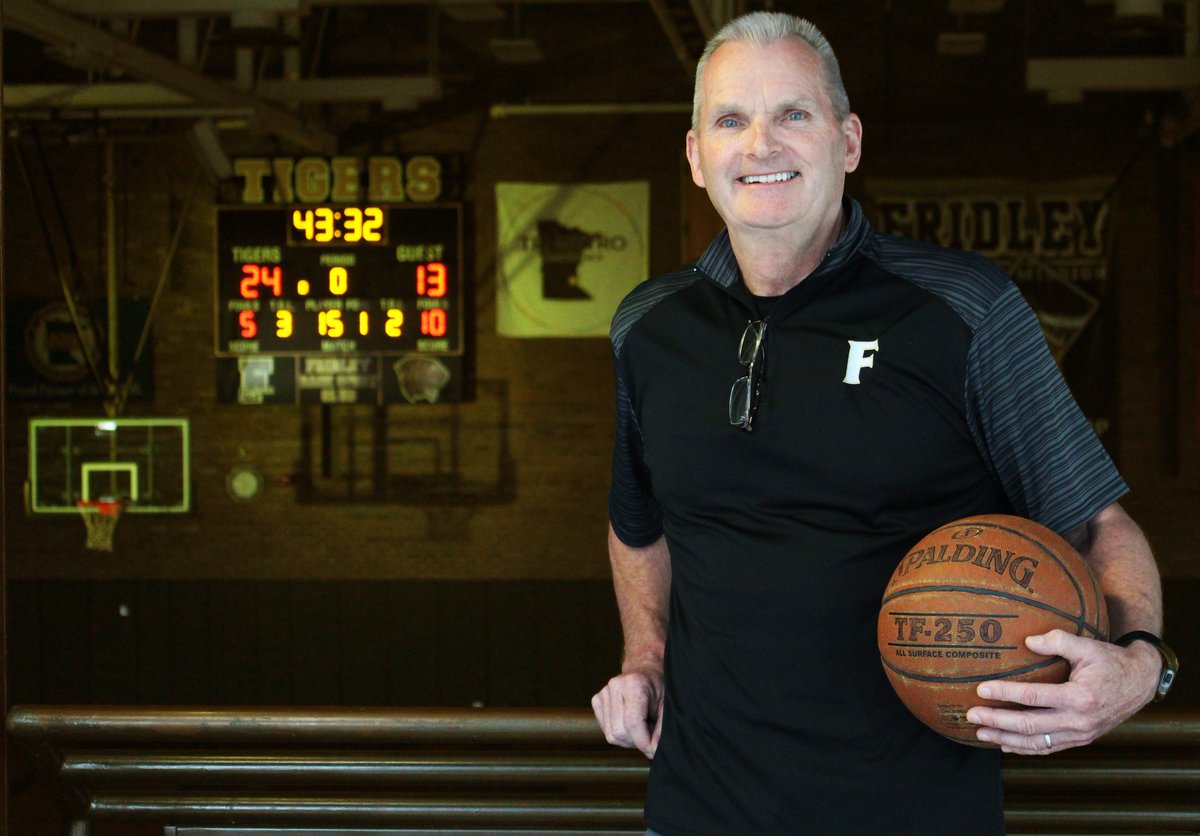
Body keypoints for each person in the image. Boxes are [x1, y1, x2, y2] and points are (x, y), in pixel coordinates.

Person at [591, 11, 1171, 835]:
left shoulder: (960, 309)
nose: (760, 145)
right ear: (695, 156)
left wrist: (1141, 664)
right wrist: (643, 660)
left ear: (848, 140)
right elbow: (638, 527)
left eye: (793, 113)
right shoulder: (647, 328)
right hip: (697, 811)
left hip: (914, 815)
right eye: (731, 120)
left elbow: (1096, 521)